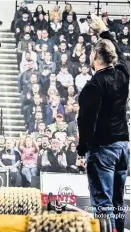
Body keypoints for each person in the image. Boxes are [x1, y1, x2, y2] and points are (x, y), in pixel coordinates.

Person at [78, 14, 129, 232]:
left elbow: (85, 121)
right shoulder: (122, 74)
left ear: (96, 56)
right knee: (118, 203)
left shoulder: (94, 84)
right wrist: (104, 31)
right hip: (123, 147)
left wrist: (82, 148)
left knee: (102, 204)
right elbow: (120, 54)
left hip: (103, 150)